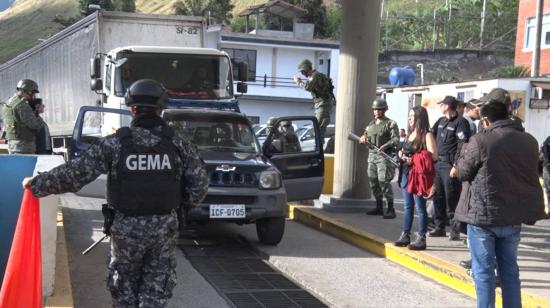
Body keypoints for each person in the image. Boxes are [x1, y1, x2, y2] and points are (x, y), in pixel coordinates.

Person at [22, 79, 208, 307]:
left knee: (124, 294)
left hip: (125, 229)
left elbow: (75, 173)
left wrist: (37, 183)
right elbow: (199, 187)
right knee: (155, 293)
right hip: (164, 229)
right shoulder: (179, 144)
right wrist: (178, 205)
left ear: (132, 109)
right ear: (161, 109)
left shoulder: (116, 143)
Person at [455, 100, 546, 308]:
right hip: (513, 217)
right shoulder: (529, 141)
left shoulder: (480, 141)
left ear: (485, 120)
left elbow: (463, 172)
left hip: (483, 218)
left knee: (484, 273)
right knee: (510, 272)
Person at [394, 106, 437, 250]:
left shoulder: (427, 135)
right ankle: (405, 235)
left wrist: (414, 159)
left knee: (420, 207)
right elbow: (404, 150)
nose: (409, 118)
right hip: (406, 174)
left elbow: (434, 156)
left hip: (418, 176)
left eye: (412, 116)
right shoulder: (409, 134)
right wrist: (401, 155)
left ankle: (421, 237)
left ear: (420, 118)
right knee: (408, 206)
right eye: (409, 116)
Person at [430, 96, 470, 241]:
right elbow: (431, 135)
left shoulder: (461, 123)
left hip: (449, 165)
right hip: (438, 164)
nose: (440, 107)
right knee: (438, 196)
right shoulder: (441, 121)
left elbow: (462, 145)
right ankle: (439, 227)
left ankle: (455, 230)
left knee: (451, 198)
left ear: (447, 106)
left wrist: (456, 165)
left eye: (442, 105)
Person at [360, 98, 399, 219]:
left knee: (383, 181)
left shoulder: (390, 124)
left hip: (383, 156)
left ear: (384, 110)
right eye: (375, 109)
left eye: (379, 109)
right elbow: (365, 136)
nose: (377, 112)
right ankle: (379, 206)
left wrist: (385, 146)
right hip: (372, 156)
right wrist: (363, 138)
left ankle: (391, 208)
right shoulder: (371, 124)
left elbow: (396, 139)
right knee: (373, 180)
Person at [293, 59, 335, 139]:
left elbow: (308, 87)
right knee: (318, 129)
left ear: (306, 68)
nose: (302, 73)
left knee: (318, 128)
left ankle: (319, 148)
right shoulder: (314, 76)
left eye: (302, 71)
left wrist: (298, 81)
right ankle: (319, 146)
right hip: (321, 104)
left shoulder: (315, 75)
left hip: (323, 104)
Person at [2, 79, 44, 154]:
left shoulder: (9, 102)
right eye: (33, 93)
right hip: (23, 145)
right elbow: (35, 125)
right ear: (27, 91)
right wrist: (38, 112)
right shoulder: (22, 105)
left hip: (12, 143)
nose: (33, 96)